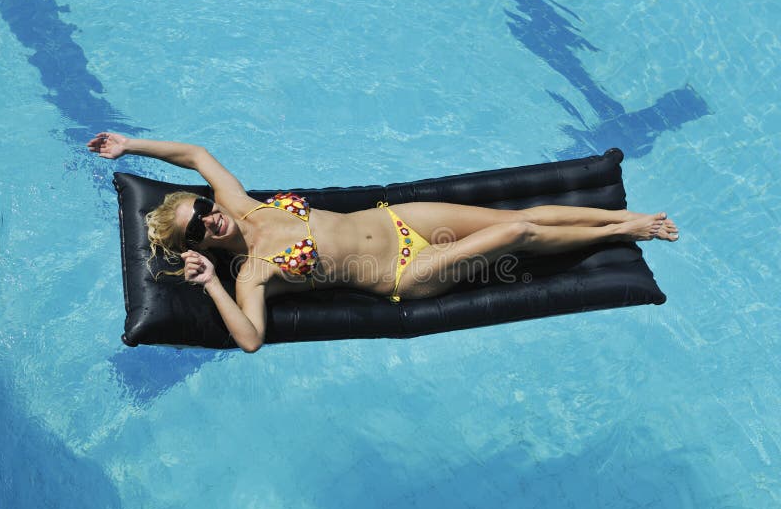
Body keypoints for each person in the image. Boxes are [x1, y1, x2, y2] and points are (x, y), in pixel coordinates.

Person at [89, 132, 679, 353]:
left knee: (515, 213)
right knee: (517, 232)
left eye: (202, 211)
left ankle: (613, 219)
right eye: (198, 230)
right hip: (409, 272)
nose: (208, 222)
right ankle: (623, 225)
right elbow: (249, 340)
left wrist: (129, 144)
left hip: (400, 219)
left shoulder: (241, 203)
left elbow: (194, 154)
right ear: (204, 246)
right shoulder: (251, 272)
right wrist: (213, 283)